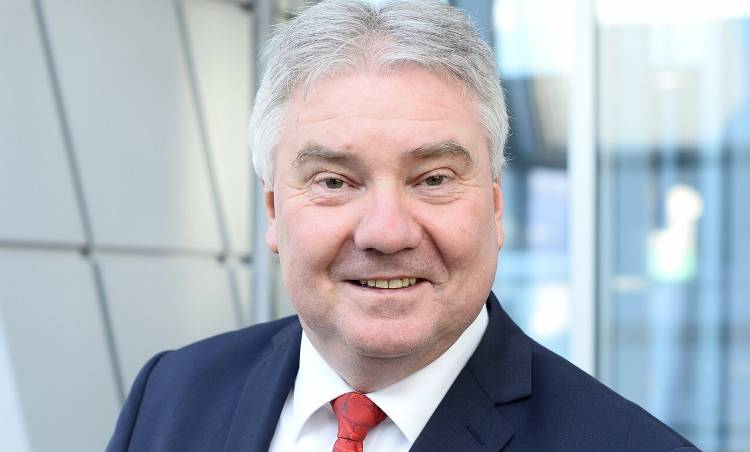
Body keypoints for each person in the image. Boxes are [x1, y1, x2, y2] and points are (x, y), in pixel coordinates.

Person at [107, 1, 700, 451]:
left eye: (433, 179)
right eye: (334, 182)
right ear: (273, 212)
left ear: (495, 207)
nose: (386, 233)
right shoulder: (170, 394)